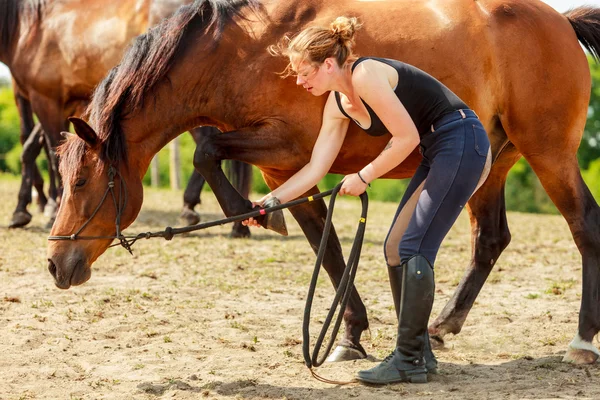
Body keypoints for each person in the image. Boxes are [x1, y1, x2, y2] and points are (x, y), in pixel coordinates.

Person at [243, 16, 492, 384]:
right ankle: (419, 350)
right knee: (394, 247)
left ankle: (408, 358)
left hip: (462, 140)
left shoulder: (365, 75)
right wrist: (269, 202)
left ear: (328, 64)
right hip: (438, 149)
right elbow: (315, 169)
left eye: (302, 71)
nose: (298, 81)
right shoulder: (337, 103)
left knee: (413, 246)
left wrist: (364, 175)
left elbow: (405, 137)